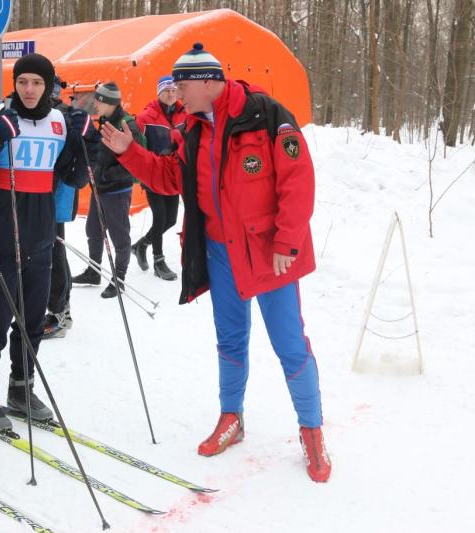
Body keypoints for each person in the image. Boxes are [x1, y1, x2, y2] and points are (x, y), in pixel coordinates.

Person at [101, 43, 331, 483]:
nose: (175, 93)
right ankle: (232, 418)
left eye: (181, 84)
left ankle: (312, 429)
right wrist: (130, 151)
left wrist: (287, 243)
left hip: (269, 254)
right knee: (230, 339)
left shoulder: (265, 115)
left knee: (289, 344)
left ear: (208, 81)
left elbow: (298, 182)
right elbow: (171, 179)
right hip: (219, 253)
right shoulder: (193, 130)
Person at [0, 53, 90, 431]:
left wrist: (86, 143)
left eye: (36, 82)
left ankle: (21, 388)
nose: (29, 89)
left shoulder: (59, 122)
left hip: (41, 233)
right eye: (22, 82)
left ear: (48, 85)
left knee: (32, 318)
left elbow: (75, 177)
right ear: (14, 84)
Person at [71, 81, 145, 299]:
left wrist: (105, 175)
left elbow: (134, 163)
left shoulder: (126, 125)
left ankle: (118, 278)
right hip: (100, 188)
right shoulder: (104, 120)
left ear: (108, 103)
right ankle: (94, 272)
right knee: (93, 231)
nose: (95, 104)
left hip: (116, 190)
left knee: (119, 236)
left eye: (98, 100)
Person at [43, 77, 100, 339]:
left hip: (58, 192)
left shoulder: (65, 116)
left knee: (54, 250)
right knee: (53, 250)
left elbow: (85, 155)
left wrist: (89, 135)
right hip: (46, 192)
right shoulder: (46, 113)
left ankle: (60, 311)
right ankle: (59, 308)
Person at [132, 75, 185, 281]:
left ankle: (141, 245)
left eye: (173, 90)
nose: (170, 94)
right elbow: (135, 145)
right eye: (166, 91)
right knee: (160, 215)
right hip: (153, 172)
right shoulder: (146, 117)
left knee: (171, 219)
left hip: (173, 174)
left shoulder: (185, 114)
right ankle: (158, 260)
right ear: (159, 93)